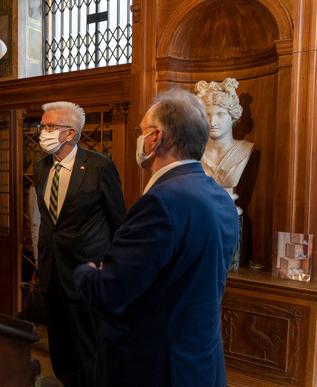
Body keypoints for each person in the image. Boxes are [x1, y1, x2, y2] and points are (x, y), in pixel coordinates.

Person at [74, 89, 240, 387]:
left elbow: (111, 292)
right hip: (202, 361)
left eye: (141, 131)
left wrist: (85, 272)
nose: (140, 138)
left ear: (156, 138)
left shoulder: (160, 201)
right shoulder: (220, 197)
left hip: (155, 365)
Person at [34, 101, 126, 386]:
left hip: (86, 272)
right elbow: (48, 221)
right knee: (59, 348)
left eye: (49, 127)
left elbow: (119, 223)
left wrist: (107, 266)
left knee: (89, 348)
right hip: (51, 270)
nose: (42, 132)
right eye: (42, 126)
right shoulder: (41, 167)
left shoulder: (100, 166)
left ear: (70, 133)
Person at [195, 78, 253, 211]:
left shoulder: (245, 150)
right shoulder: (194, 152)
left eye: (220, 114)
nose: (212, 122)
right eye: (207, 115)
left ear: (233, 117)